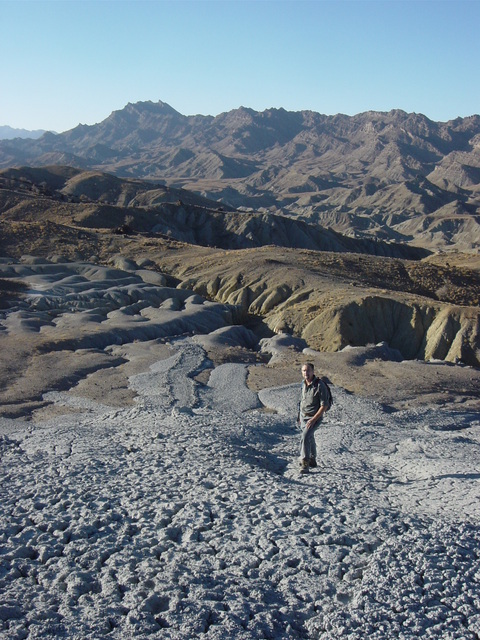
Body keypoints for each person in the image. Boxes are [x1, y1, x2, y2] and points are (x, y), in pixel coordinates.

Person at [297, 362, 329, 473]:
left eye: (308, 370)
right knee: (310, 437)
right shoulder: (303, 384)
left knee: (305, 437)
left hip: (314, 417)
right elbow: (302, 401)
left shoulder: (320, 386)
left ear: (313, 371)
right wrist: (299, 416)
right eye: (304, 371)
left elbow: (324, 405)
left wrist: (313, 419)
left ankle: (304, 463)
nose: (306, 373)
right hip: (303, 416)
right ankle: (312, 459)